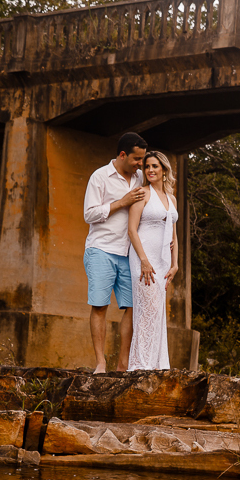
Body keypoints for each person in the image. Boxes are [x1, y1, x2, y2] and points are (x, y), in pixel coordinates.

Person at [83, 132, 147, 373]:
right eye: (136, 159)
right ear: (122, 155)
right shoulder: (99, 177)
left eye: (142, 159)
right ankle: (101, 362)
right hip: (101, 249)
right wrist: (122, 201)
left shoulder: (139, 177)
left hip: (128, 253)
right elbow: (88, 214)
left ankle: (123, 364)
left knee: (132, 306)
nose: (140, 164)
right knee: (100, 306)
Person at [127, 150, 179, 370]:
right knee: (146, 310)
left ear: (164, 169)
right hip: (143, 258)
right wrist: (144, 261)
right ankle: (140, 366)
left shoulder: (171, 198)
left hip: (163, 262)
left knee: (157, 312)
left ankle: (156, 365)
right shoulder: (142, 193)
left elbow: (174, 235)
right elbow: (131, 229)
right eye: (147, 166)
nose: (149, 170)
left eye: (154, 166)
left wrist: (175, 264)